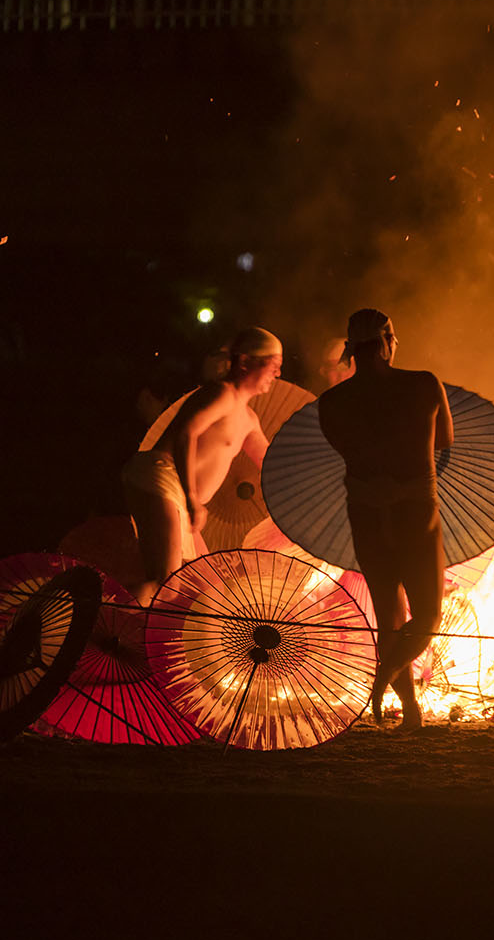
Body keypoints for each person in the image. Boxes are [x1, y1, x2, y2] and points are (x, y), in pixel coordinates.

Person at [316, 309, 452, 728]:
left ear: (352, 350)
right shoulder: (424, 385)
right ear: (388, 341)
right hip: (416, 509)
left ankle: (410, 711)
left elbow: (345, 450)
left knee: (388, 612)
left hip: (367, 513)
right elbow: (445, 440)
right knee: (428, 615)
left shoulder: (333, 402)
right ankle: (384, 678)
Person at [122, 328, 283, 602]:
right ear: (245, 362)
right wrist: (192, 498)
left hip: (174, 491)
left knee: (192, 582)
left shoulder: (248, 418)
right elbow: (187, 433)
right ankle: (94, 619)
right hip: (163, 477)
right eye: (273, 365)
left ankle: (113, 622)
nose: (277, 374)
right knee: (166, 583)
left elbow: (272, 466)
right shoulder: (222, 394)